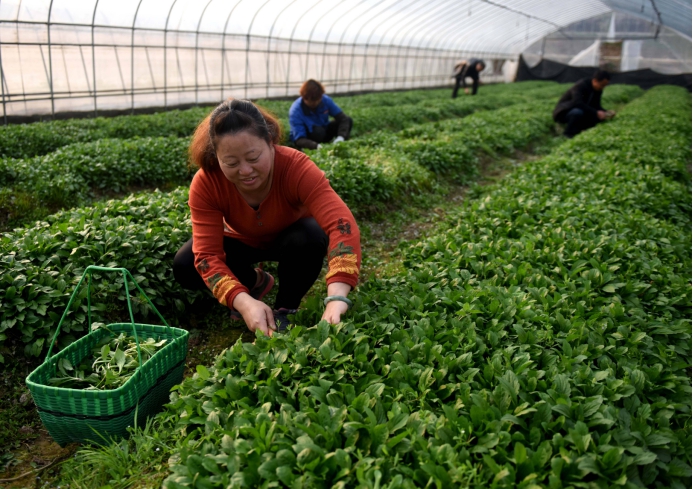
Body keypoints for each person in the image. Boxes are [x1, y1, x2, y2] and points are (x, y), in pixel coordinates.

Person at [173, 99, 361, 336]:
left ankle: (285, 307)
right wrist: (242, 302)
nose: (245, 171)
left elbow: (341, 224)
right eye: (231, 162)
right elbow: (207, 256)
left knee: (311, 235)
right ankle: (254, 283)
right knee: (186, 263)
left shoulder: (296, 167)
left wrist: (337, 296)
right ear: (216, 156)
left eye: (253, 158)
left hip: (291, 239)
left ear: (271, 143)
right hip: (241, 241)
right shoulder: (207, 182)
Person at [289, 79, 353, 151]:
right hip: (309, 137)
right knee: (318, 132)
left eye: (318, 99)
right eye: (312, 101)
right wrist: (315, 146)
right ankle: (314, 146)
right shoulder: (296, 110)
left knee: (348, 120)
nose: (315, 103)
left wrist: (341, 137)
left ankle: (338, 140)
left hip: (323, 130)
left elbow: (343, 118)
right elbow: (299, 139)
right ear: (304, 98)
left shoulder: (325, 100)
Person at [553, 70, 615, 138]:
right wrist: (596, 112)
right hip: (565, 112)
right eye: (602, 85)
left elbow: (596, 105)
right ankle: (568, 134)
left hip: (581, 110)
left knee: (598, 117)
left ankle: (581, 131)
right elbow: (577, 103)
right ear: (595, 81)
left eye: (605, 86)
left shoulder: (598, 90)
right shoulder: (580, 86)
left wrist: (606, 112)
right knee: (578, 112)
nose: (603, 88)